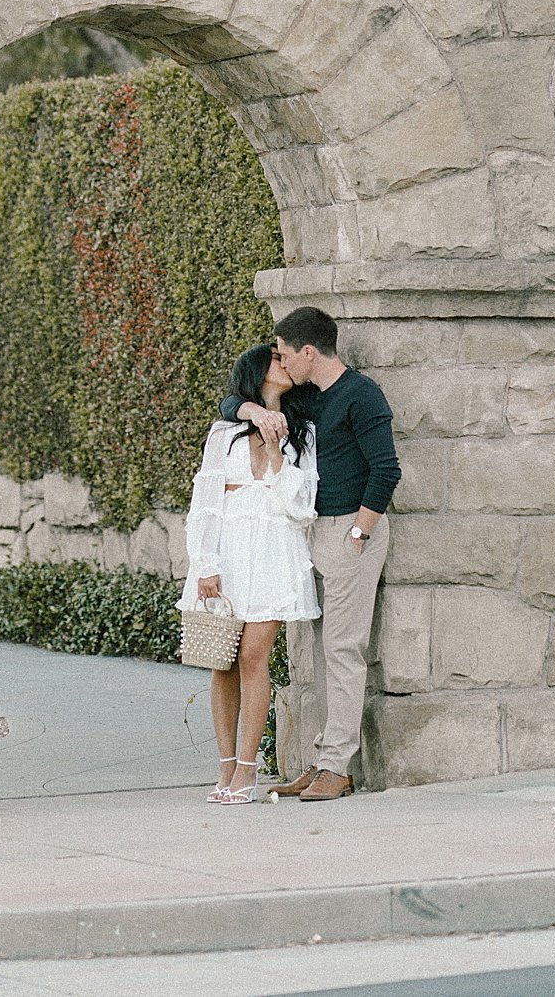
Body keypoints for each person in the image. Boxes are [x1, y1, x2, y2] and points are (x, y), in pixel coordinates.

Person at [222, 305, 400, 802]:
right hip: (314, 533)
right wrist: (254, 410)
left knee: (343, 650)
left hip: (350, 533)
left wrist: (358, 536)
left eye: (283, 352)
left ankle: (337, 767)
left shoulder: (362, 395)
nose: (279, 360)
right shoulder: (309, 397)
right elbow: (230, 399)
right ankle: (322, 759)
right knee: (324, 652)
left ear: (307, 351)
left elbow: (386, 469)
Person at [181, 341, 319, 806]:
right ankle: (225, 764)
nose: (285, 363)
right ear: (256, 372)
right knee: (222, 660)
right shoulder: (225, 433)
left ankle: (248, 768)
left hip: (275, 554)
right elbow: (205, 504)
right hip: (229, 553)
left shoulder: (305, 432)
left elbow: (301, 508)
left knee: (253, 657)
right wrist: (205, 565)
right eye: (276, 359)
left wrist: (279, 456)